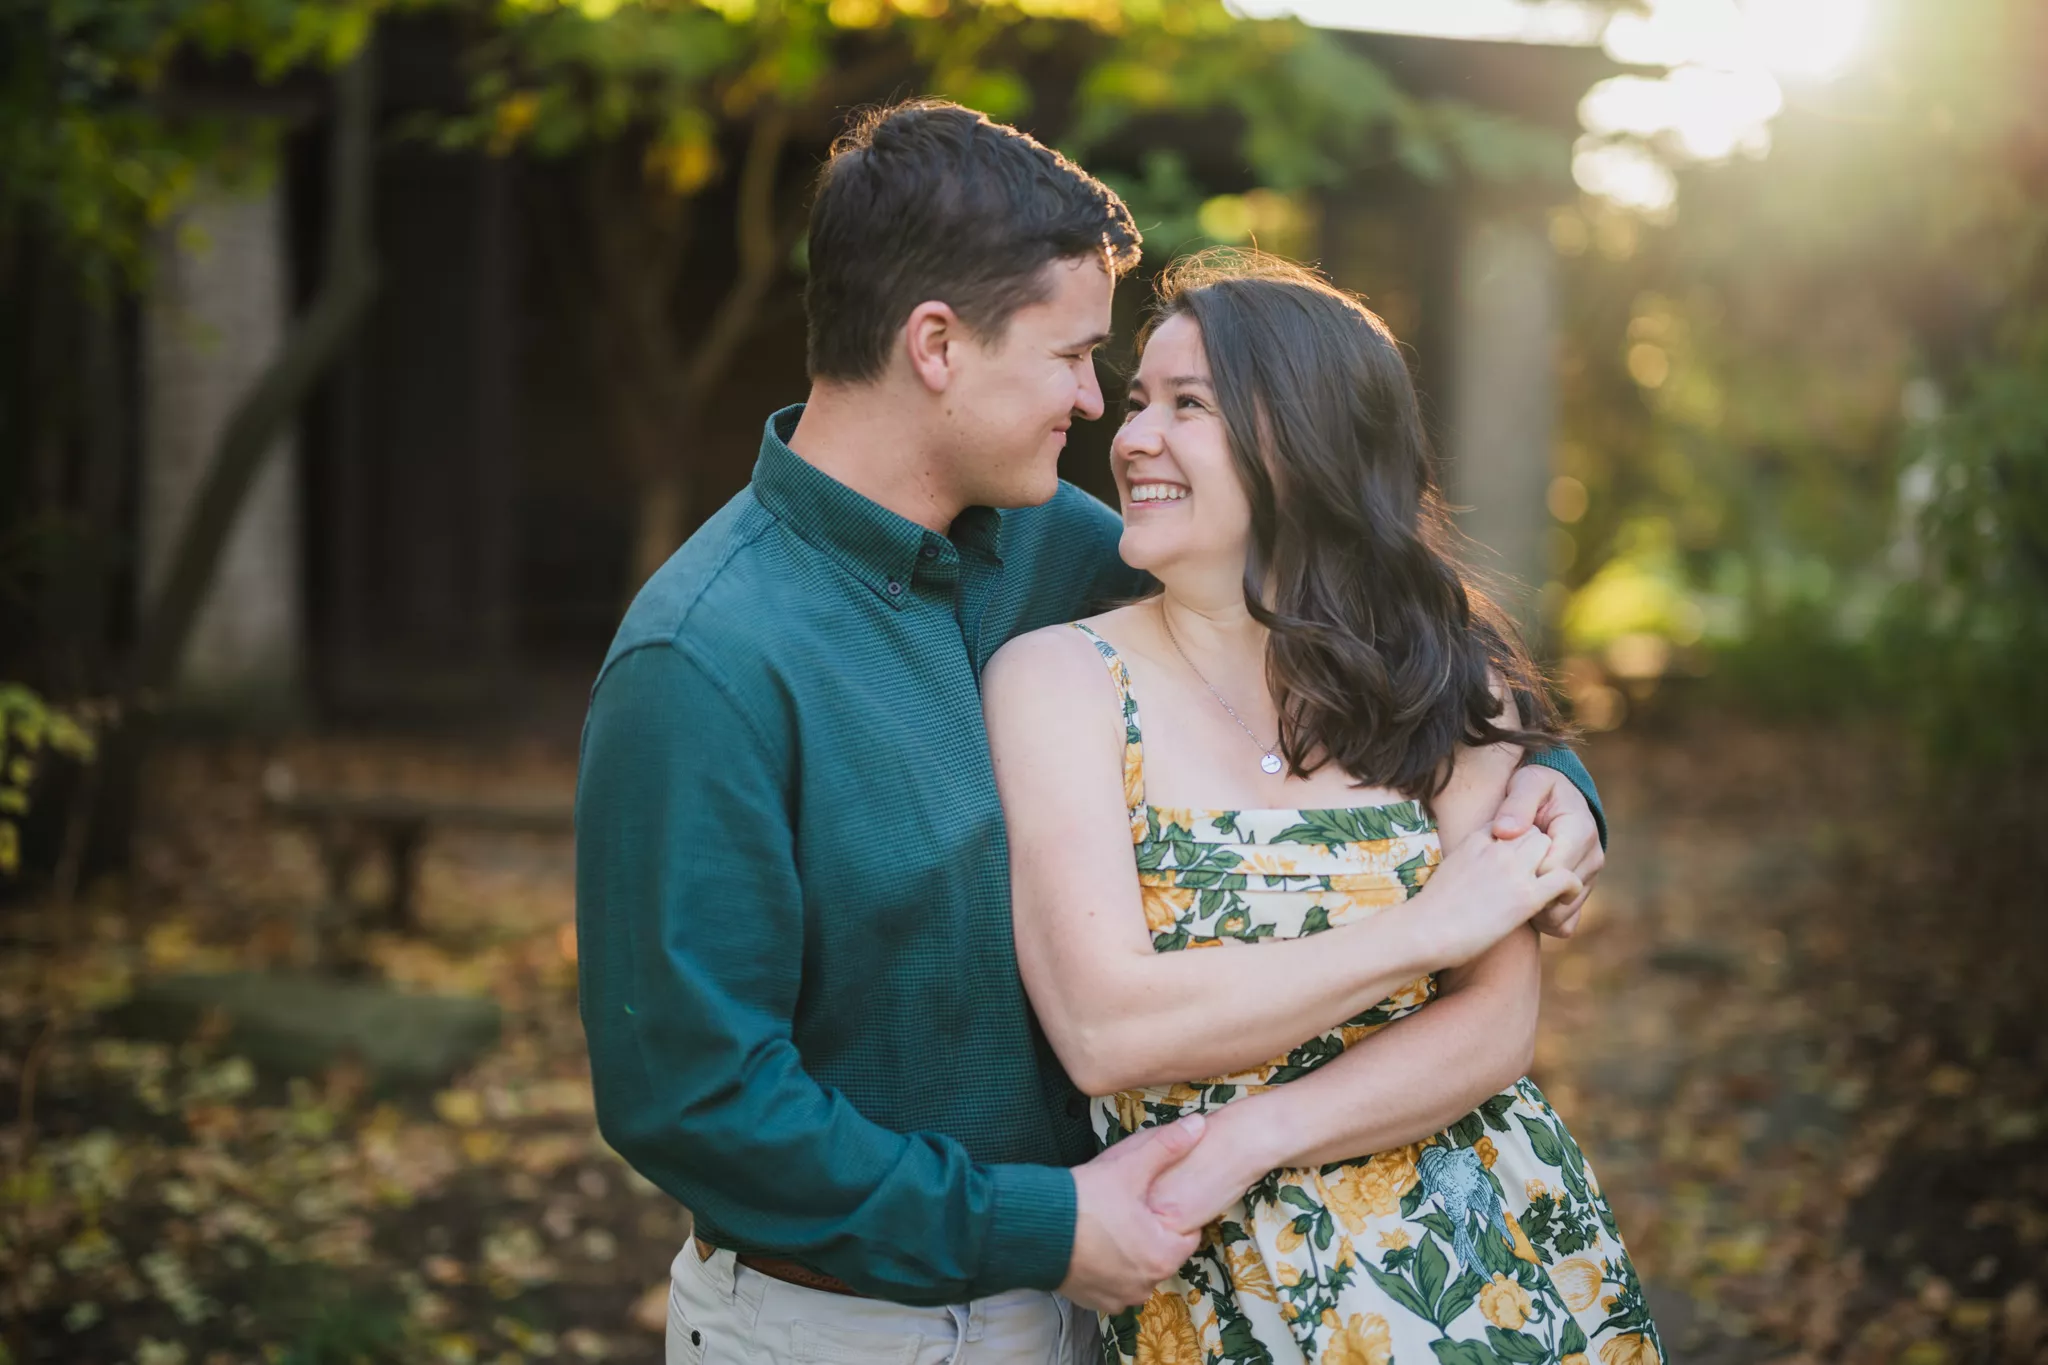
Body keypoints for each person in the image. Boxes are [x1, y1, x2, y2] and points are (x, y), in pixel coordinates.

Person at [575, 101, 1610, 1365]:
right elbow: (692, 1101)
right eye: (1073, 358)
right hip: (842, 1329)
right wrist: (1041, 1222)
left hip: (1114, 1305)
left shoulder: (1058, 545)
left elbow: (1371, 616)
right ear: (938, 346)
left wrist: (1553, 785)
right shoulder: (707, 654)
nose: (1095, 408)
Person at [982, 252, 1660, 1365]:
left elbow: (1492, 1026)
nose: (1133, 434)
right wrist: (1425, 930)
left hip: (1489, 1253)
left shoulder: (1443, 677)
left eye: (1187, 404)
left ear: (1302, 443)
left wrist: (1251, 1138)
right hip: (1218, 1274)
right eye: (1138, 399)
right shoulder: (1059, 680)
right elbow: (1106, 1028)